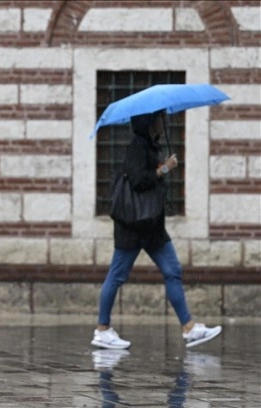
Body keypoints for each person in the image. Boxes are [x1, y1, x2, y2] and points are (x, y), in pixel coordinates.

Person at [91, 110, 221, 350]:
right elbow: (139, 181)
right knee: (117, 275)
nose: (164, 122)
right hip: (132, 226)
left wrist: (162, 167)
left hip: (150, 226)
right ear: (149, 123)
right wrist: (165, 169)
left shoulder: (150, 146)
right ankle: (102, 329)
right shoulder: (137, 147)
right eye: (160, 118)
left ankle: (189, 328)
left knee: (173, 270)